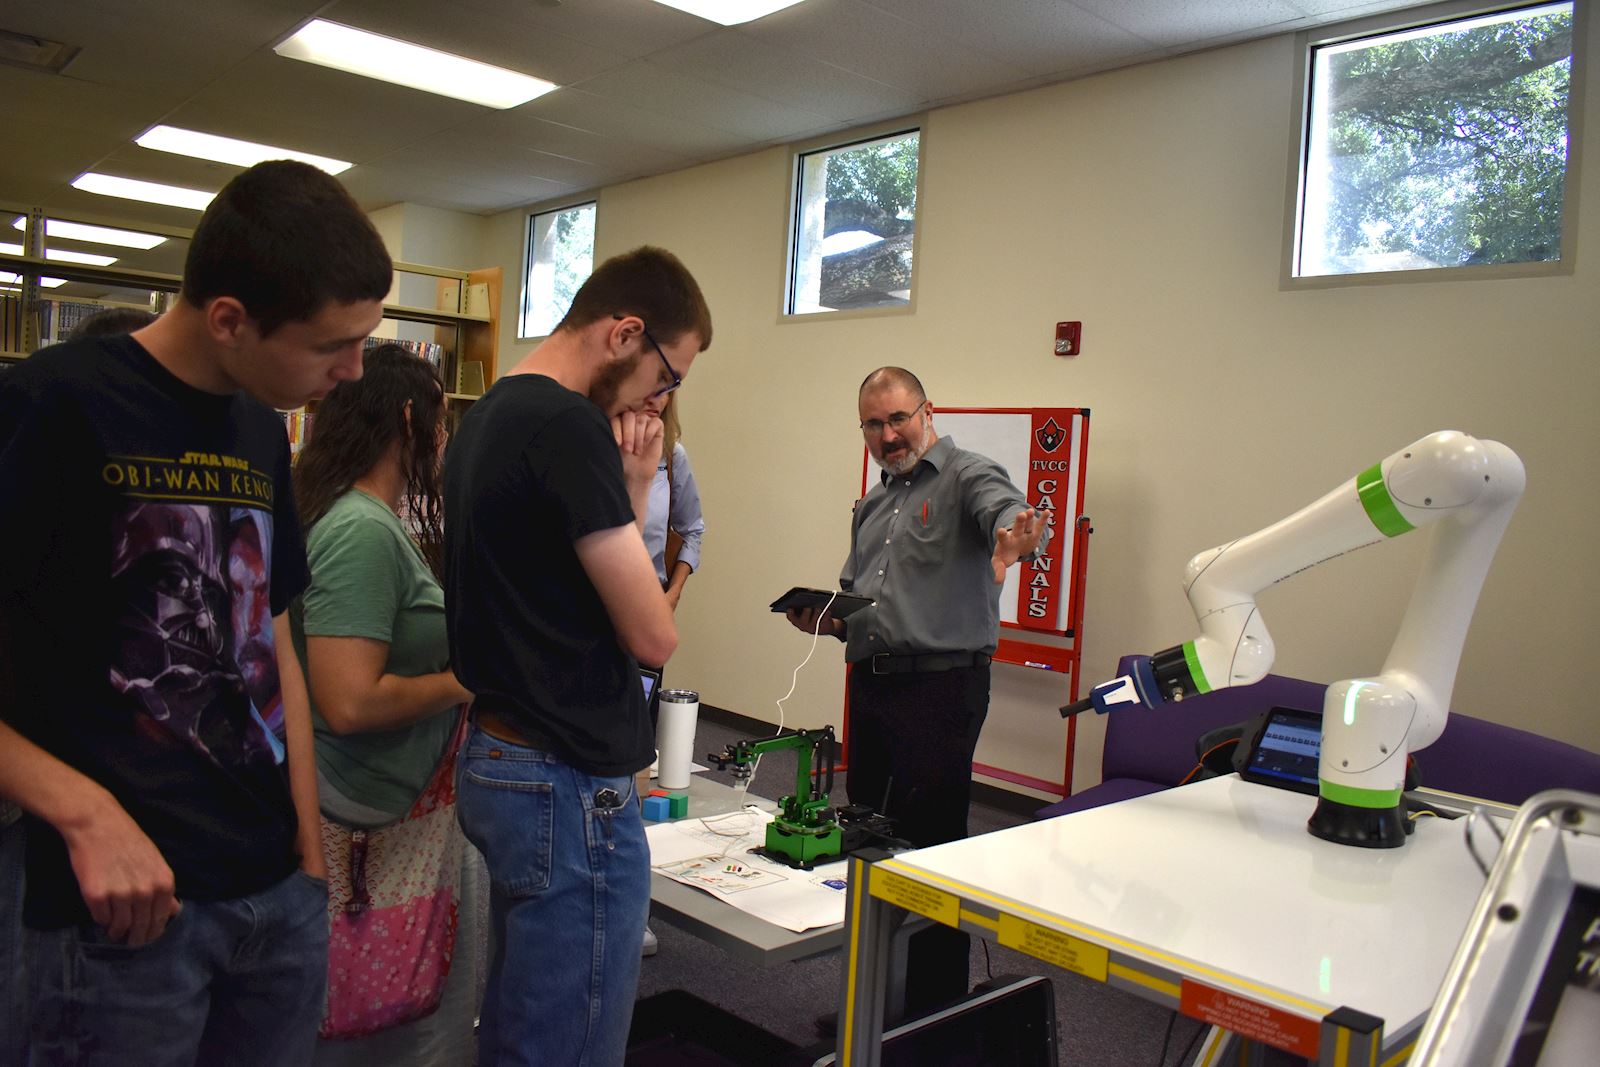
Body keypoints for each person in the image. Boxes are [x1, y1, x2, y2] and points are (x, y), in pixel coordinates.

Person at [0, 159, 392, 1065]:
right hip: (125, 920)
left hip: (271, 898)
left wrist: (306, 855)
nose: (354, 369)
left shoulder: (260, 424)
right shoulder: (54, 405)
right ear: (229, 319)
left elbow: (276, 641)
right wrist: (85, 814)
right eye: (333, 343)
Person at [445, 246, 712, 1067]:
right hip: (564, 784)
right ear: (626, 333)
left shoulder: (487, 415)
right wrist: (632, 484)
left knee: (525, 1018)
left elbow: (564, 592)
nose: (661, 401)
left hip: (500, 754)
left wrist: (632, 487)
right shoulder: (566, 426)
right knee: (571, 1041)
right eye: (667, 377)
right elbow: (651, 634)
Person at [785, 366, 1049, 1019]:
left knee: (930, 851)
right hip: (874, 688)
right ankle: (873, 1003)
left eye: (898, 418)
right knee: (868, 839)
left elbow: (1008, 515)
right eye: (874, 424)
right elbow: (864, 608)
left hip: (942, 689)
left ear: (926, 412)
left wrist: (1018, 536)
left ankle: (933, 1015)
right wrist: (826, 617)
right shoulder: (873, 505)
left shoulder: (967, 475)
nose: (888, 433)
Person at [289, 344, 482, 1065]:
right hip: (365, 812)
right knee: (382, 1010)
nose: (444, 436)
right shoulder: (359, 530)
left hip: (380, 805)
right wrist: (467, 678)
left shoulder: (360, 516)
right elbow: (348, 700)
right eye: (440, 416)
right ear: (409, 415)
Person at [636, 389, 705, 956]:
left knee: (636, 755)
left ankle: (631, 900)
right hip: (589, 616)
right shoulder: (591, 445)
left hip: (646, 613)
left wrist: (675, 590)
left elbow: (694, 529)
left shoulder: (672, 455)